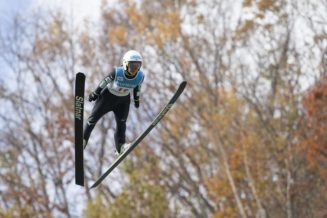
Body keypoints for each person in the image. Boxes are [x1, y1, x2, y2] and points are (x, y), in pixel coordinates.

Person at [83, 50, 144, 155]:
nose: (134, 69)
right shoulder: (117, 72)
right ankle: (83, 140)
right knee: (93, 119)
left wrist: (137, 99)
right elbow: (104, 81)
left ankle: (120, 147)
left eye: (137, 66)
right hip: (107, 97)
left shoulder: (140, 76)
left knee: (122, 124)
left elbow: (138, 88)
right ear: (125, 64)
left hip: (123, 101)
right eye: (132, 65)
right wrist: (95, 93)